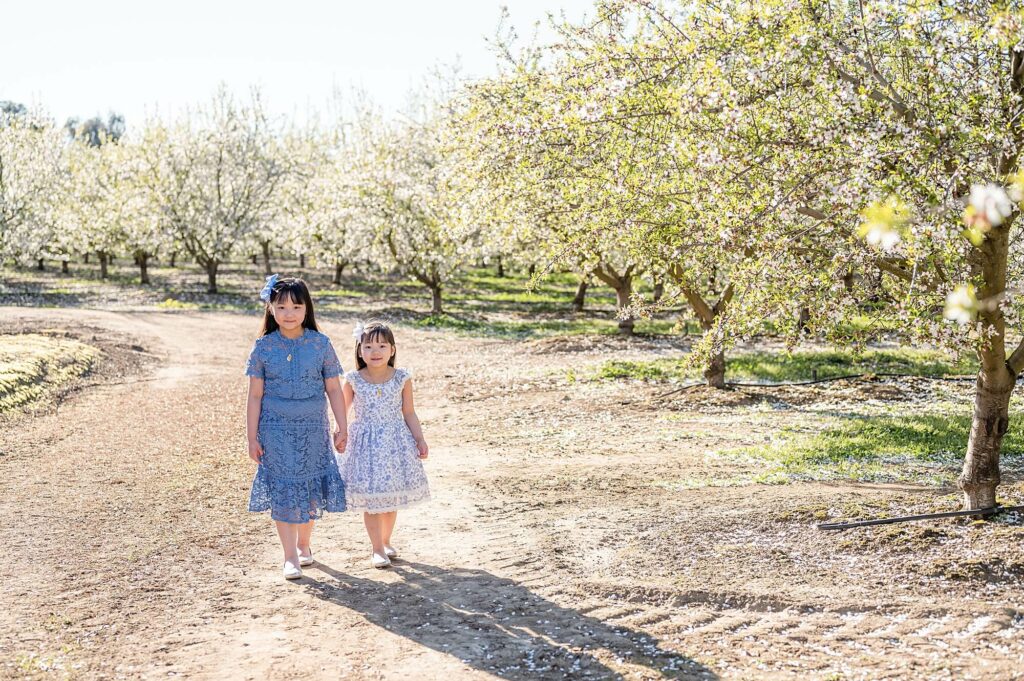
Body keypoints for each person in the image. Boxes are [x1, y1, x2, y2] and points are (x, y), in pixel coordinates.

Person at [245, 274, 348, 580]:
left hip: (313, 426)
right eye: (281, 307)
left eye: (296, 306)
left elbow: (334, 389)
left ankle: (304, 544)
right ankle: (289, 555)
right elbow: (254, 396)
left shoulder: (320, 344)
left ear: (307, 309)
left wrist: (342, 427)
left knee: (309, 486)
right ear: (270, 309)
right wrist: (251, 437)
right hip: (274, 428)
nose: (289, 313)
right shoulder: (263, 347)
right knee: (284, 488)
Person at [338, 319, 430, 568]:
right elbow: (342, 411)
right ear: (360, 350)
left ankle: (386, 541)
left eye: (381, 346)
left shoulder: (402, 378)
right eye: (368, 347)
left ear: (392, 349)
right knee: (371, 499)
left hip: (395, 443)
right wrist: (340, 433)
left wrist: (419, 439)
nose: (374, 352)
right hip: (365, 445)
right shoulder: (354, 379)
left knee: (390, 499)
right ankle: (376, 548)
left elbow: (409, 412)